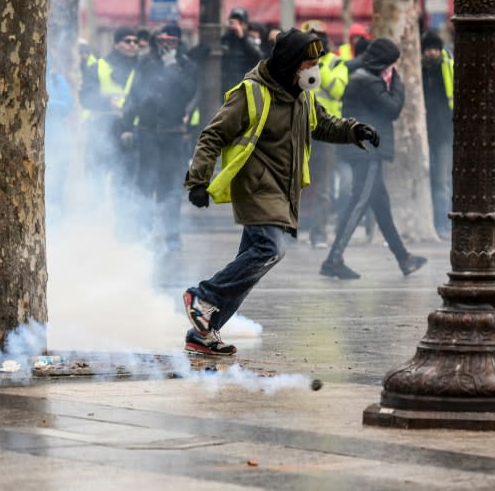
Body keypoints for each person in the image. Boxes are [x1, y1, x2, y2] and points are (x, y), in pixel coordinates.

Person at [182, 28, 379, 355]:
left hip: (284, 191)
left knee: (249, 267)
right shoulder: (251, 93)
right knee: (271, 248)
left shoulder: (301, 95)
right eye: (309, 63)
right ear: (290, 64)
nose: (314, 70)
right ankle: (205, 296)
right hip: (258, 187)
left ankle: (204, 332)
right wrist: (198, 180)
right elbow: (212, 136)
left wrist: (354, 130)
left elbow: (324, 124)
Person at [320, 38, 427, 280]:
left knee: (381, 205)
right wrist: (397, 80)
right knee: (359, 201)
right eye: (391, 64)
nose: (392, 68)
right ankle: (333, 259)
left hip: (363, 145)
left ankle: (404, 258)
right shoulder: (367, 80)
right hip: (367, 148)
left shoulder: (361, 73)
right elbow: (392, 108)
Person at [119, 24, 198, 251]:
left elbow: (188, 92)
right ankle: (143, 233)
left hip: (173, 135)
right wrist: (126, 126)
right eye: (162, 41)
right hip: (148, 133)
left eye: (171, 42)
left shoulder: (186, 66)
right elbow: (134, 96)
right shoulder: (145, 63)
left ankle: (171, 236)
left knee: (171, 188)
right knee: (145, 184)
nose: (165, 46)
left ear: (178, 43)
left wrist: (172, 66)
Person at [300, 19, 349, 249]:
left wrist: (316, 66)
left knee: (323, 186)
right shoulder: (293, 63)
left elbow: (339, 90)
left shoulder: (336, 63)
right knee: (292, 182)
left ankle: (318, 233)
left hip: (325, 133)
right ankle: (289, 230)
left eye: (318, 36)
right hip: (298, 129)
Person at [79, 27, 139, 177]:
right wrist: (109, 101)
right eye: (127, 41)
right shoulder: (98, 67)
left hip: (132, 130)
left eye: (135, 41)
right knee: (96, 178)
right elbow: (86, 97)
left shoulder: (142, 68)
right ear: (116, 44)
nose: (132, 44)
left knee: (127, 183)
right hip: (102, 128)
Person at [420, 31, 454, 238]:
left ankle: (442, 223)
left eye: (435, 48)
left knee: (441, 181)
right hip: (424, 134)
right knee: (428, 179)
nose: (432, 52)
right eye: (429, 48)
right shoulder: (419, 70)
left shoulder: (448, 68)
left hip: (443, 133)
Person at [220, 7, 263, 95]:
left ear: (246, 25)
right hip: (226, 84)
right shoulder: (226, 39)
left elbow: (258, 57)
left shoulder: (249, 39)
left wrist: (243, 37)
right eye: (233, 22)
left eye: (240, 23)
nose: (236, 26)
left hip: (244, 84)